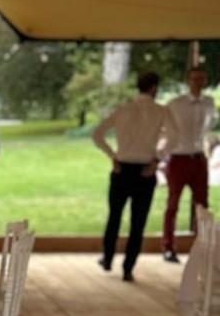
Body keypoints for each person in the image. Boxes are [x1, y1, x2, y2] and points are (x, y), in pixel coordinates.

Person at [93, 72, 178, 282]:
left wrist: (112, 155)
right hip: (145, 170)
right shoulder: (161, 111)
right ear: (154, 88)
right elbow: (175, 137)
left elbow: (97, 134)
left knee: (114, 216)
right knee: (137, 222)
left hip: (122, 167)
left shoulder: (124, 109)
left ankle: (108, 257)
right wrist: (157, 159)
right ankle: (128, 267)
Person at [162, 66, 217, 263]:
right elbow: (165, 128)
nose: (198, 83)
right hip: (178, 158)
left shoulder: (209, 103)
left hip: (198, 158)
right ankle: (168, 246)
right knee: (173, 203)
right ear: (188, 81)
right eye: (194, 79)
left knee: (202, 205)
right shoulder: (176, 104)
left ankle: (202, 248)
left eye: (201, 79)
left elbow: (209, 126)